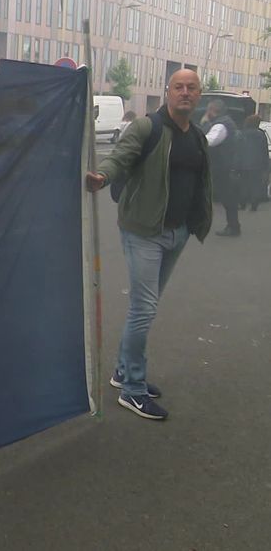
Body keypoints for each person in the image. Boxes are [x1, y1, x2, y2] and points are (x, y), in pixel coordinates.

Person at [85, 69, 212, 421]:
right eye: (178, 87)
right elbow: (120, 156)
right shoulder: (147, 127)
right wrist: (103, 175)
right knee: (144, 309)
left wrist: (194, 222)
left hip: (177, 232)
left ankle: (123, 371)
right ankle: (133, 390)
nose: (185, 93)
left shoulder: (198, 137)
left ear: (199, 95)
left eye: (191, 88)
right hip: (143, 231)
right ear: (167, 93)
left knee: (147, 305)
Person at [201, 99, 242, 236]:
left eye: (209, 110)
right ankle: (233, 226)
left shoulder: (221, 125)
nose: (207, 112)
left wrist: (205, 123)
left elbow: (208, 141)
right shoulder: (226, 122)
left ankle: (233, 227)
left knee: (227, 198)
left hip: (222, 167)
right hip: (225, 166)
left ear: (213, 110)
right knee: (227, 198)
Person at [236, 114, 270, 211]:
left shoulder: (242, 134)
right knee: (255, 185)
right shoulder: (261, 135)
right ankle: (254, 204)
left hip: (244, 164)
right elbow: (264, 151)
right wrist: (266, 167)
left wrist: (236, 164)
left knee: (243, 184)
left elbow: (239, 150)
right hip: (257, 165)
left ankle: (242, 204)